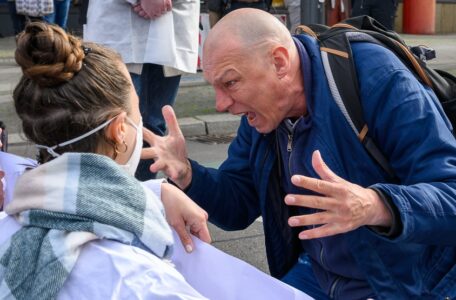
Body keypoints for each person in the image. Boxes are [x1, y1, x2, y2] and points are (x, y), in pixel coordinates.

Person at [144, 8, 456, 299]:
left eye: (230, 82)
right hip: (319, 276)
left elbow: (450, 193)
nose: (220, 104)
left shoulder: (376, 77)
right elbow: (237, 205)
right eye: (215, 87)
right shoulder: (262, 117)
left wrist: (375, 205)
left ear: (279, 62)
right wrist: (187, 173)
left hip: (409, 284)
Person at [0, 21, 210, 299]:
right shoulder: (145, 283)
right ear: (119, 130)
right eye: (138, 111)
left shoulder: (8, 229)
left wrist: (156, 191)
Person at [84, 0, 200, 181]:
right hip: (119, 24)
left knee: (155, 126)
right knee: (114, 124)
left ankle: (144, 197)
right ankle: (112, 197)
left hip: (171, 24)